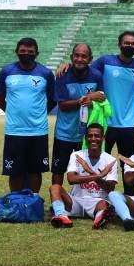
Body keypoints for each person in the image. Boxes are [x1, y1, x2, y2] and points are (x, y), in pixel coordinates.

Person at [87, 31, 134, 195]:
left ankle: (129, 197)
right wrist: (67, 66)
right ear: (119, 44)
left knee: (127, 165)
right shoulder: (105, 61)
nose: (130, 46)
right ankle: (100, 196)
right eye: (126, 43)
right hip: (105, 124)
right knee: (100, 161)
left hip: (128, 125)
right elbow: (86, 72)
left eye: (133, 44)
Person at [0, 37, 56, 193]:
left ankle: (33, 200)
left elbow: (52, 100)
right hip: (14, 131)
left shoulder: (45, 73)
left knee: (35, 170)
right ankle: (16, 201)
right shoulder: (7, 72)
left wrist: (38, 114)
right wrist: (13, 113)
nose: (26, 53)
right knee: (15, 171)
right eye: (23, 51)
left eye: (30, 51)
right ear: (16, 52)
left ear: (37, 53)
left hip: (38, 130)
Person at [52, 43, 104, 186]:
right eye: (77, 55)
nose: (79, 59)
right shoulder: (62, 75)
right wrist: (85, 98)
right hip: (64, 133)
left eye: (84, 56)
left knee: (86, 170)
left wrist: (92, 101)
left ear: (90, 59)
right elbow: (63, 106)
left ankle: (82, 198)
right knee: (58, 170)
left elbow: (101, 99)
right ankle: (57, 198)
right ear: (71, 57)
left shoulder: (97, 76)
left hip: (87, 135)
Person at [49, 124, 118, 228]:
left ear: (103, 138)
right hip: (76, 200)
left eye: (97, 136)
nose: (93, 139)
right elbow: (71, 179)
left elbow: (110, 188)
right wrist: (99, 175)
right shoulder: (77, 155)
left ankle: (99, 219)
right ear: (85, 138)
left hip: (97, 201)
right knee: (55, 187)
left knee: (104, 205)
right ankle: (61, 216)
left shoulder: (111, 160)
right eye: (90, 136)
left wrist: (90, 171)